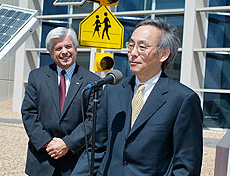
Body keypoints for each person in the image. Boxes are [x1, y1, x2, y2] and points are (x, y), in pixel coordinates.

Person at [72, 18, 203, 176]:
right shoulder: (112, 91)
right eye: (131, 45)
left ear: (163, 54)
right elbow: (96, 149)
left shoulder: (183, 99)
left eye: (142, 47)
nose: (133, 53)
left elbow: (186, 166)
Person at [21, 27, 100, 176]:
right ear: (51, 54)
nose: (64, 52)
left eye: (68, 46)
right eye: (58, 48)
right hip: (42, 158)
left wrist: (67, 144)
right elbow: (28, 113)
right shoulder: (36, 77)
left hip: (74, 161)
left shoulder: (92, 81)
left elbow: (92, 119)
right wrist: (48, 143)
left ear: (76, 49)